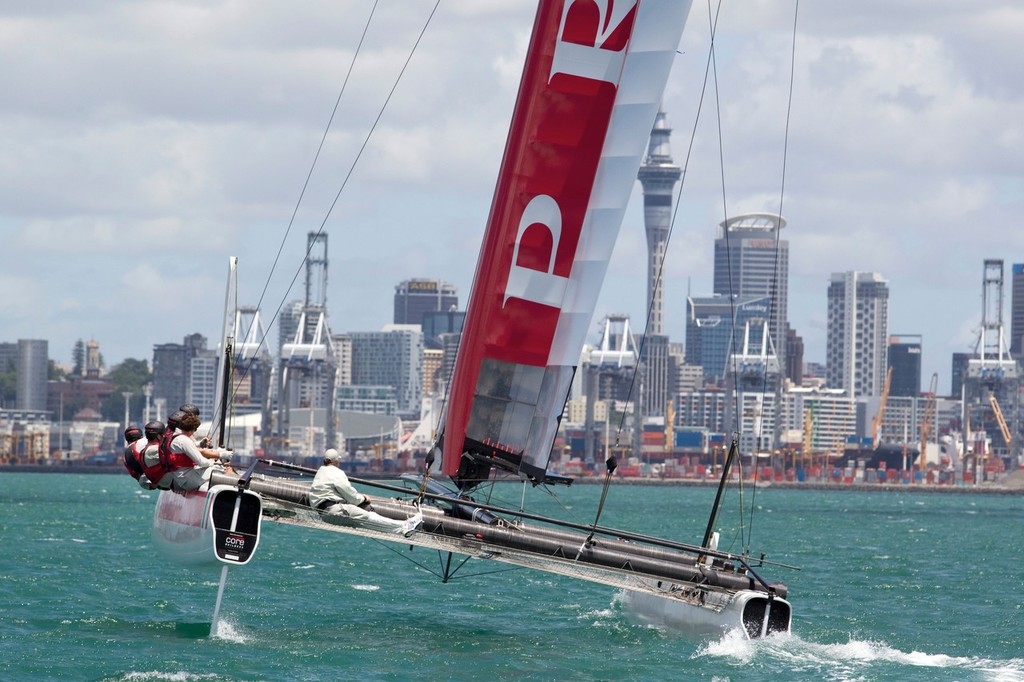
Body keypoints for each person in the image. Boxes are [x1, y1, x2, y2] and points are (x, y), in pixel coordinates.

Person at [309, 448, 422, 536]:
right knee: (370, 518)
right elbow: (350, 494)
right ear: (336, 461)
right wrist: (363, 498)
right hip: (336, 510)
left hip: (324, 515)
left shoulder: (320, 472)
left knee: (369, 519)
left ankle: (402, 528)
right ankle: (405, 526)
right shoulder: (336, 472)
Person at [158, 411, 229, 491]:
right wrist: (215, 463)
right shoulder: (184, 440)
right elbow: (202, 462)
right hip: (188, 480)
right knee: (223, 470)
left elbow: (186, 449)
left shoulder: (173, 437)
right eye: (195, 429)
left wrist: (200, 444)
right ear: (192, 429)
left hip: (180, 479)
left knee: (217, 468)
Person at [136, 420, 172, 490]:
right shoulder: (155, 449)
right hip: (169, 483)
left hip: (161, 483)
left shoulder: (144, 450)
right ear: (159, 436)